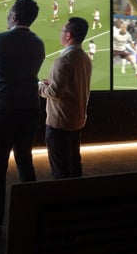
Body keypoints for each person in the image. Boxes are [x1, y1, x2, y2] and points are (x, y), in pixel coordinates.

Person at [0, 0, 45, 240]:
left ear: (14, 17)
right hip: (30, 108)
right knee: (25, 161)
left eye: (9, 12)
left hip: (2, 109)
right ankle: (34, 215)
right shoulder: (39, 43)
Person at [38, 17, 92, 179]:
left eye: (62, 31)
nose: (60, 34)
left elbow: (54, 93)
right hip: (77, 120)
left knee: (60, 169)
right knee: (74, 163)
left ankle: (63, 200)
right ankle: (76, 199)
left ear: (68, 35)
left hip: (60, 123)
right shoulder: (84, 57)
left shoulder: (63, 60)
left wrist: (39, 86)